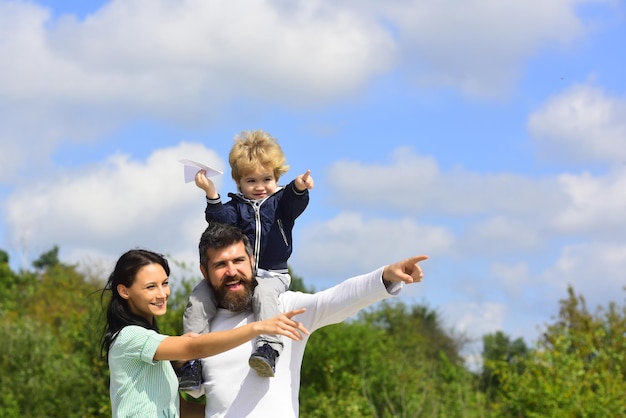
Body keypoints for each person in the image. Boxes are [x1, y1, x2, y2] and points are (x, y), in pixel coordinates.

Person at [182, 222, 428, 417]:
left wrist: (385, 276)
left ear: (252, 262)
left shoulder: (283, 308)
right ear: (205, 272)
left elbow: (336, 299)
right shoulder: (200, 332)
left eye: (238, 261)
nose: (232, 271)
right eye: (220, 265)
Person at [100, 248, 309, 418]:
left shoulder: (155, 349)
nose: (162, 294)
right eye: (150, 287)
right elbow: (195, 347)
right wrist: (258, 327)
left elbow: (179, 409)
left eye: (164, 284)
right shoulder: (129, 337)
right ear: (124, 291)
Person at [183, 129, 314, 383]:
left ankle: (269, 348)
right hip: (240, 275)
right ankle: (192, 359)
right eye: (251, 181)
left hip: (272, 274)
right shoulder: (235, 207)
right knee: (198, 297)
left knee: (263, 293)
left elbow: (294, 203)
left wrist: (299, 187)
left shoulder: (280, 203)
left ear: (276, 178)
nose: (259, 187)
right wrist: (211, 192)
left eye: (266, 179)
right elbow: (218, 223)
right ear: (239, 183)